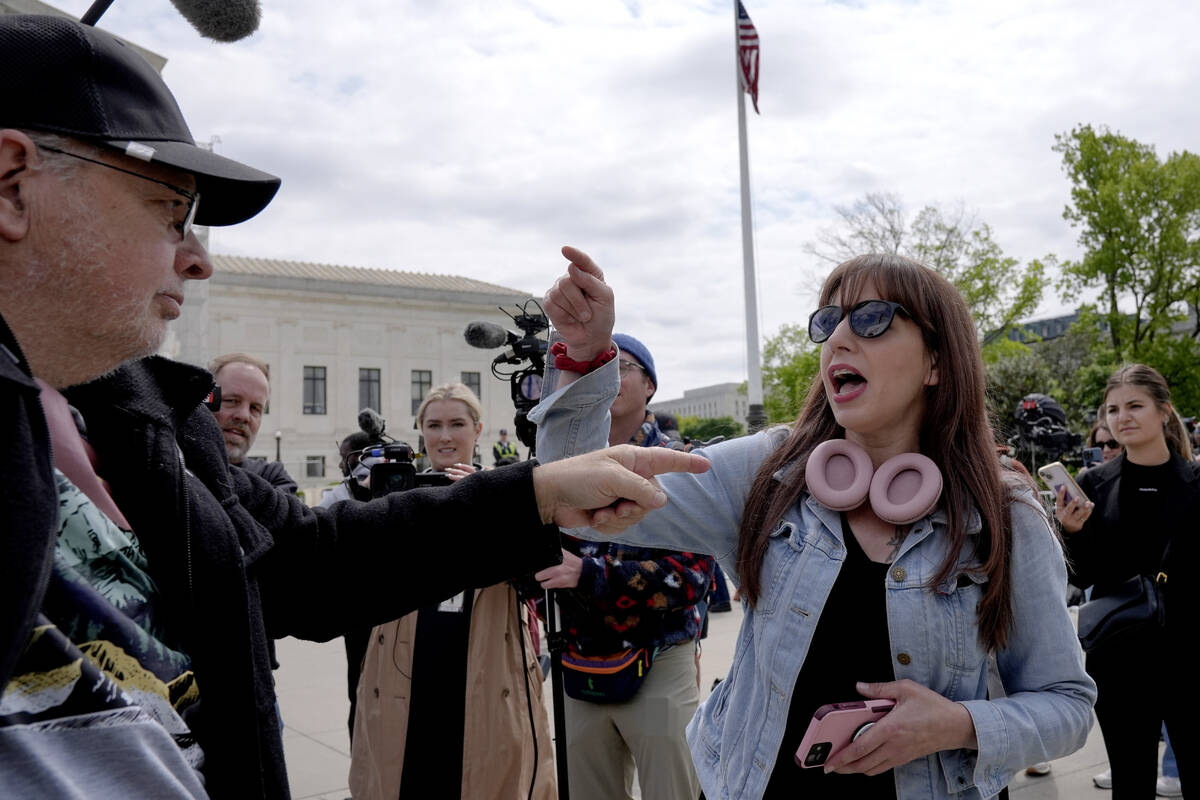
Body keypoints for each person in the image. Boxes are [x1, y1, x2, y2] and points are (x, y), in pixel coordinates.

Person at [0, 17, 709, 798]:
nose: (199, 258)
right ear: (12, 184)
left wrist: (535, 493)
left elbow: (305, 565)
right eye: (171, 211)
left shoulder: (146, 423)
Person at [533, 246, 1096, 799]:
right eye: (827, 323)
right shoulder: (767, 472)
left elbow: (1066, 704)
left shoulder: (1005, 515)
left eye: (873, 320)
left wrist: (956, 725)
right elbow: (581, 498)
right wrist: (582, 358)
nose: (839, 340)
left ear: (937, 362)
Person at [530, 331, 715, 800]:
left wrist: (588, 575)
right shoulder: (555, 465)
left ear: (650, 385)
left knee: (672, 790)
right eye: (597, 369)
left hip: (660, 658)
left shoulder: (680, 462)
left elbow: (694, 577)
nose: (608, 378)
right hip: (578, 660)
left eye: (622, 367)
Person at [350, 384, 554, 799]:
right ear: (420, 432)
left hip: (483, 666)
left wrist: (492, 503)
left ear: (477, 430)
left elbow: (536, 579)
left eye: (457, 424)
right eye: (434, 425)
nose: (445, 436)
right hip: (406, 665)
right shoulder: (399, 496)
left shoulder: (504, 488)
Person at [1057, 364, 1196, 799]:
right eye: (1113, 409)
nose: (1123, 417)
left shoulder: (1194, 482)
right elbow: (1083, 576)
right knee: (1130, 782)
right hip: (1121, 655)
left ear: (1164, 412)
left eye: (1135, 405)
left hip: (1190, 655)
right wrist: (1071, 532)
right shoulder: (1092, 486)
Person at [209, 352, 296, 492]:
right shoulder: (174, 468)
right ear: (205, 402)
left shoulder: (272, 478)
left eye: (255, 408)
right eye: (231, 401)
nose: (244, 416)